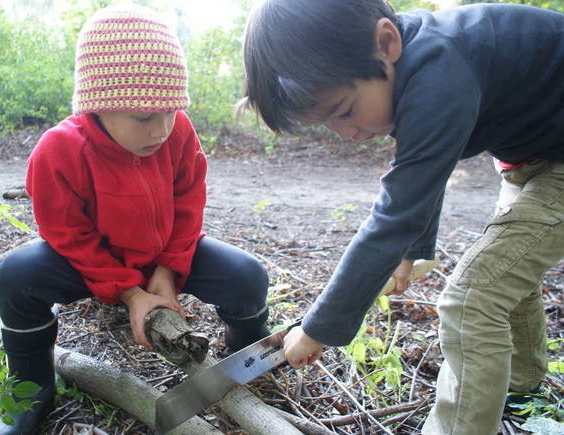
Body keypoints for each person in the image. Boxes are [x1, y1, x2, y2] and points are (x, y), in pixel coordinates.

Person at [239, 0, 564, 434]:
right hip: (534, 156)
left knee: (474, 296)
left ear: (386, 42)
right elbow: (427, 168)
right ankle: (522, 389)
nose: (349, 135)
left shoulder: (440, 71)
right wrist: (410, 250)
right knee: (505, 269)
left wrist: (316, 329)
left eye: (346, 111)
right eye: (330, 126)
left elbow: (394, 214)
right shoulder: (422, 63)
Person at [0, 5, 270, 434]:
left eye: (171, 110)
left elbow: (188, 202)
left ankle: (246, 358)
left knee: (247, 275)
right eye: (143, 117)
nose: (161, 129)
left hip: (161, 255)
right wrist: (129, 292)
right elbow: (66, 233)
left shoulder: (177, 132)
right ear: (99, 105)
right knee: (16, 276)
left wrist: (167, 271)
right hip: (92, 262)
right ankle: (30, 386)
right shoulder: (60, 150)